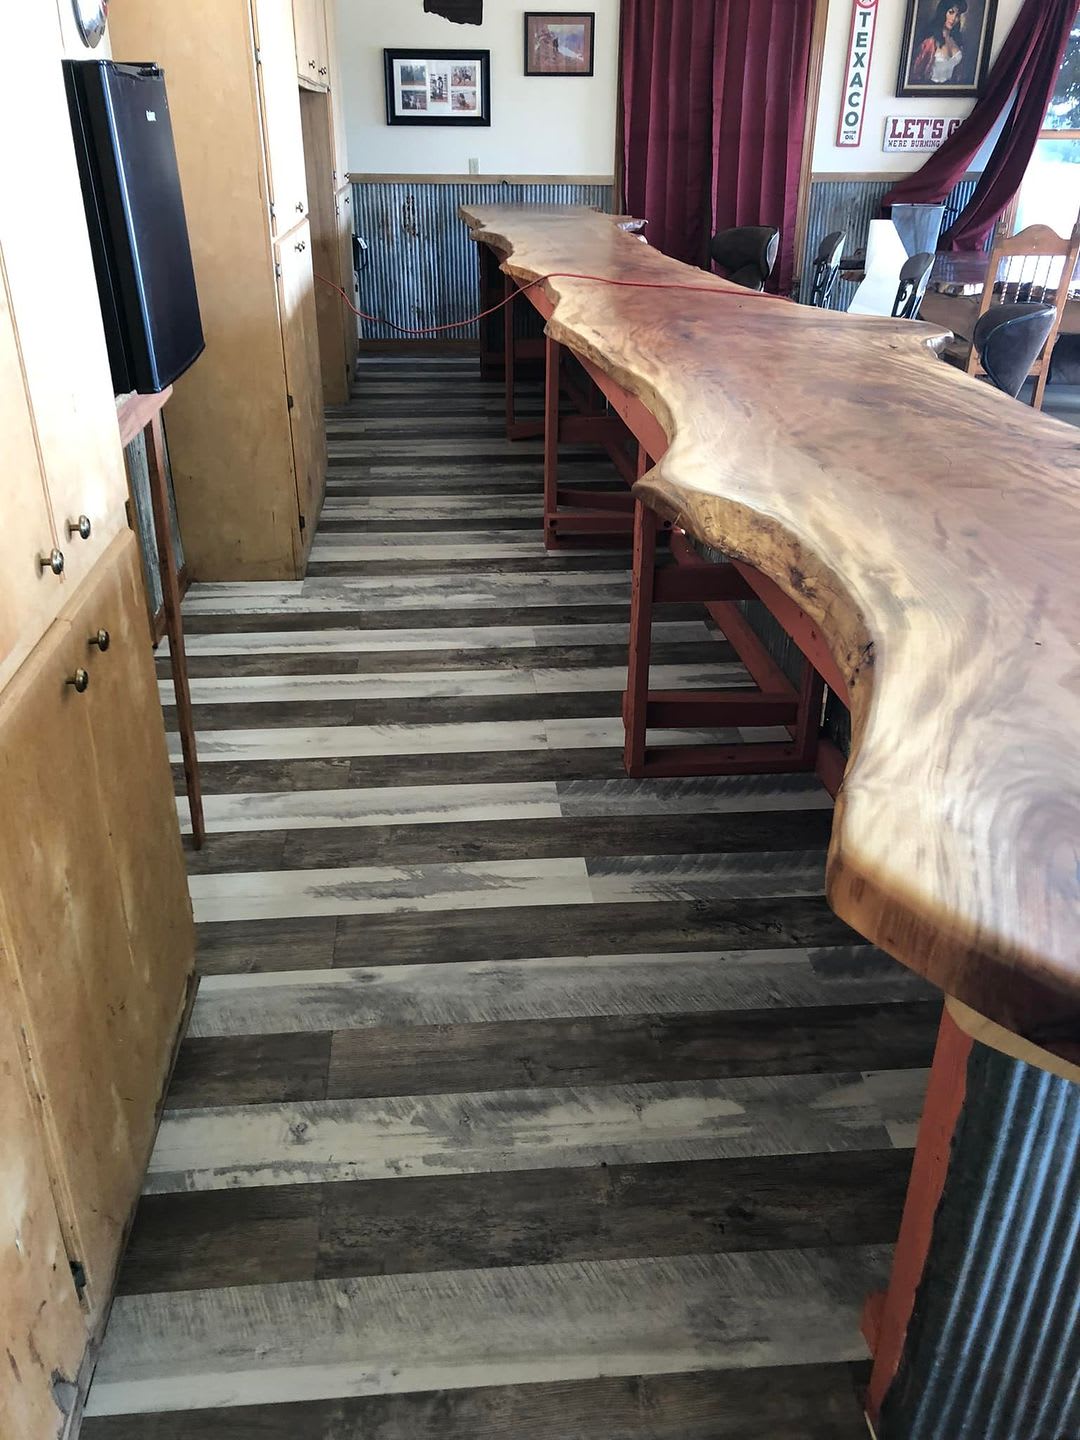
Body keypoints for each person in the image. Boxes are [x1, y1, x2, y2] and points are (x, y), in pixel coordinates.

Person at [910, 0, 968, 85]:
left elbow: (959, 76)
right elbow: (916, 75)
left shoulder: (957, 41)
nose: (954, 18)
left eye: (957, 15)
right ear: (943, 12)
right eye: (951, 12)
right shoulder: (930, 42)